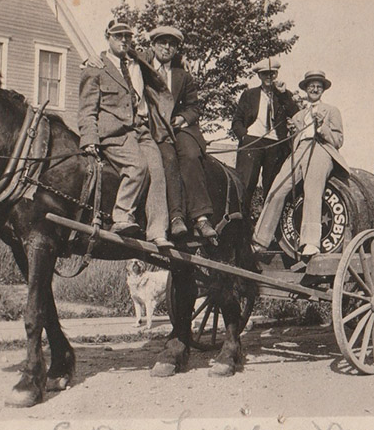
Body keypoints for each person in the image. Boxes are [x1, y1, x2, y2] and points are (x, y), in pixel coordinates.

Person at [77, 19, 173, 248]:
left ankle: (158, 232)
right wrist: (89, 138)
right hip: (114, 133)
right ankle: (121, 217)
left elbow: (165, 53)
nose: (123, 40)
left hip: (141, 129)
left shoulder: (138, 60)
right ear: (107, 37)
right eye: (118, 36)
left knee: (158, 171)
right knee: (137, 166)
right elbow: (87, 108)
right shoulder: (95, 68)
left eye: (127, 36)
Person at [251, 70, 349, 258]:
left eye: (318, 86)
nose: (314, 89)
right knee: (277, 188)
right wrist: (290, 136)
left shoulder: (331, 110)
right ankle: (260, 240)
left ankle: (311, 243)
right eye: (311, 85)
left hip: (321, 149)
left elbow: (338, 140)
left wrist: (321, 127)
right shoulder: (298, 115)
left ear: (323, 90)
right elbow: (293, 142)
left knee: (312, 188)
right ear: (305, 89)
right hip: (300, 151)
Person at [142, 26, 216, 239]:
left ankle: (201, 218)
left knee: (192, 155)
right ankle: (176, 218)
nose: (167, 47)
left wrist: (182, 119)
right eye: (162, 42)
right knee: (168, 158)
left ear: (176, 49)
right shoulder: (143, 68)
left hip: (178, 128)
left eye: (172, 44)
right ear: (153, 45)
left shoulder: (182, 76)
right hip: (156, 130)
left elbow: (193, 107)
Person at [232, 58, 299, 211]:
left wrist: (283, 95)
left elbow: (296, 114)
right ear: (259, 76)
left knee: (272, 187)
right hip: (252, 142)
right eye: (265, 74)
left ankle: (267, 231)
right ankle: (244, 228)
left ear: (276, 74)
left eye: (272, 74)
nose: (269, 77)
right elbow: (237, 120)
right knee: (246, 185)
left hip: (275, 144)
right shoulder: (249, 95)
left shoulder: (283, 95)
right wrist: (244, 136)